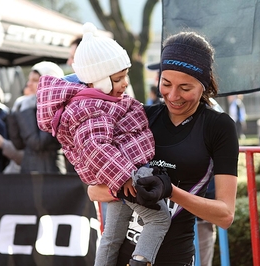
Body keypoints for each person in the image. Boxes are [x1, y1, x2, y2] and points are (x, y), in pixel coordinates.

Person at [87, 31, 239, 266]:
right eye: (166, 84)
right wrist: (133, 186)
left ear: (204, 84)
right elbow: (93, 191)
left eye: (185, 88)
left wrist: (169, 191)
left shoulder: (218, 126)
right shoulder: (141, 116)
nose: (173, 95)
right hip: (122, 256)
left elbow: (225, 215)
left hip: (174, 257)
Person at [36, 22, 171, 266]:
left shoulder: (101, 101)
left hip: (120, 174)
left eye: (125, 76)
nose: (124, 84)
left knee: (112, 234)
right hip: (126, 172)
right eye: (118, 79)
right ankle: (141, 262)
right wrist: (125, 176)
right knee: (159, 219)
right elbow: (95, 148)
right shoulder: (91, 108)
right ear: (98, 81)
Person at [7, 61, 65, 174]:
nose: (29, 84)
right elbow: (18, 144)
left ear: (49, 83)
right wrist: (14, 113)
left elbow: (37, 143)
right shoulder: (28, 104)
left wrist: (25, 111)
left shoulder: (56, 107)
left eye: (35, 80)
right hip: (28, 169)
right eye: (29, 80)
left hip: (50, 172)